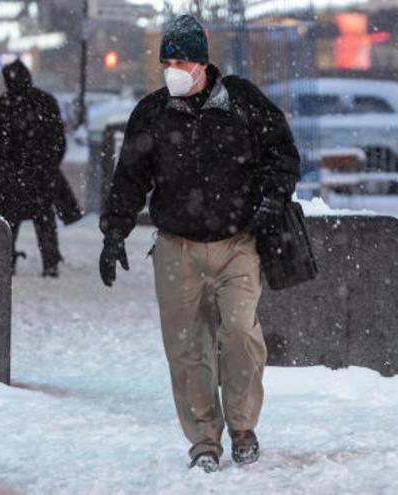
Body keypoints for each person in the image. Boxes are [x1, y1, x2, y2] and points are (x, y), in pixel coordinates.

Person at [99, 15, 300, 472]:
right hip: (176, 248)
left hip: (237, 243)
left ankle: (243, 428)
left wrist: (271, 201)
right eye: (166, 60)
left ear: (203, 64)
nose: (172, 69)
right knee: (187, 349)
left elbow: (282, 156)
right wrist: (114, 233)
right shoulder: (152, 112)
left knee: (241, 336)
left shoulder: (243, 102)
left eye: (181, 60)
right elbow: (129, 179)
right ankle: (203, 442)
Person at [0, 60, 74, 277]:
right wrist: (49, 164)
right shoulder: (45, 101)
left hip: (14, 175)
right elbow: (58, 141)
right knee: (44, 219)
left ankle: (6, 262)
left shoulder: (6, 103)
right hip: (40, 174)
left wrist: (0, 171)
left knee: (9, 221)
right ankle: (50, 262)